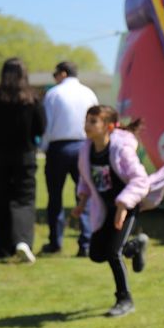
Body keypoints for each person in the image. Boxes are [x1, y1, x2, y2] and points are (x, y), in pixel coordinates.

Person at [72, 105, 164, 318]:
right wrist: (81, 201)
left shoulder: (120, 149)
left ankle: (125, 300)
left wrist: (124, 206)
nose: (87, 126)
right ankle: (135, 245)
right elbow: (85, 178)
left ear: (108, 126)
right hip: (105, 209)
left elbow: (140, 180)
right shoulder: (86, 150)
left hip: (127, 206)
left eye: (93, 121)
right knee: (97, 254)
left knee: (113, 253)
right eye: (87, 120)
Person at [0, 58, 46, 263]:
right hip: (25, 155)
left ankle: (3, 248)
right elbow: (41, 127)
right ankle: (22, 241)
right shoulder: (33, 98)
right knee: (24, 200)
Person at [41, 61, 98, 256]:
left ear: (63, 74)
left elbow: (46, 126)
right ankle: (86, 243)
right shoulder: (88, 93)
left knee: (55, 197)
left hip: (58, 147)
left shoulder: (54, 94)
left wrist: (44, 147)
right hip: (84, 146)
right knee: (84, 195)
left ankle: (55, 242)